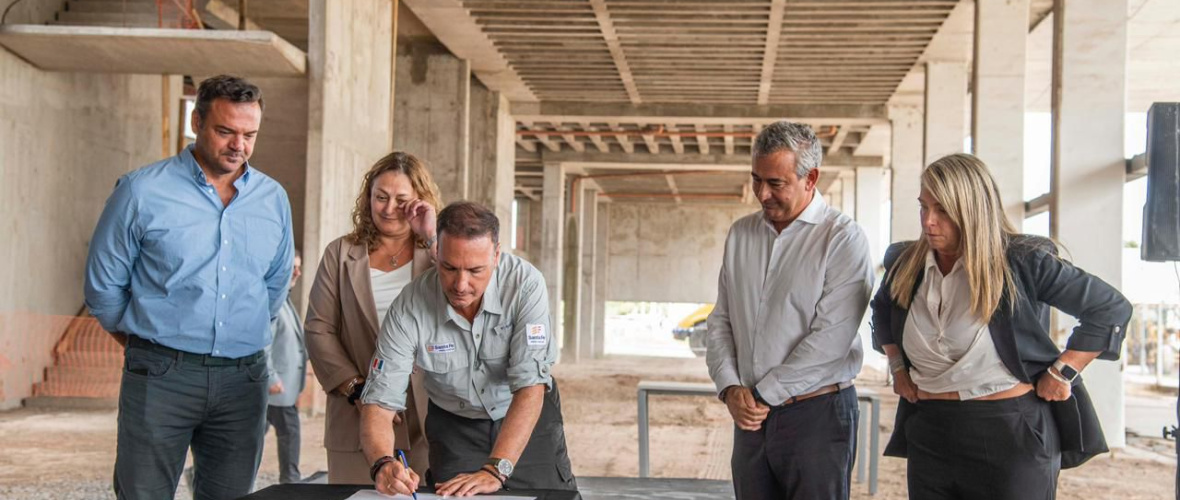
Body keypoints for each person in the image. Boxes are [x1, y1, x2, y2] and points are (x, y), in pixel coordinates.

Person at [870, 153, 1132, 500]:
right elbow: (881, 310)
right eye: (924, 207)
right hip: (930, 429)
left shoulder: (1023, 262)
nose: (928, 221)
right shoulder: (905, 264)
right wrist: (897, 366)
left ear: (972, 210)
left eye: (943, 210)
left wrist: (1063, 372)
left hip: (1009, 433)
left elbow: (1109, 308)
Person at [84, 75, 294, 500]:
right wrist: (147, 345)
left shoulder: (273, 199)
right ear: (196, 122)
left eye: (249, 134)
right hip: (161, 374)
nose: (239, 145)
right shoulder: (141, 191)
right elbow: (103, 289)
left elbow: (274, 287)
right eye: (225, 131)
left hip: (243, 380)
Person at [360, 201, 577, 498]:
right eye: (449, 268)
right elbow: (379, 401)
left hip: (524, 415)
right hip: (454, 426)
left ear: (496, 255)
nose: (461, 285)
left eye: (475, 270)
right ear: (437, 253)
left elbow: (530, 386)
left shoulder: (525, 285)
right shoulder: (410, 305)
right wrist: (382, 464)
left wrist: (496, 469)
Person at [705, 121, 874, 500]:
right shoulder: (741, 235)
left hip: (816, 416)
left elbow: (830, 341)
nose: (762, 193)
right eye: (756, 179)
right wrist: (730, 387)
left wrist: (762, 394)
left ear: (810, 178)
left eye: (775, 183)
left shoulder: (842, 239)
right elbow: (721, 321)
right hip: (750, 417)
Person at [304, 152, 441, 484]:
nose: (389, 208)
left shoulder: (436, 255)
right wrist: (358, 390)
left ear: (420, 201)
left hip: (428, 416)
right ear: (368, 198)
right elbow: (319, 329)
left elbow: (466, 296)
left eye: (401, 200)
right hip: (356, 411)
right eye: (381, 197)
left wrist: (433, 236)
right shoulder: (340, 253)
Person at [265, 250, 307, 484]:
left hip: (284, 387)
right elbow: (263, 343)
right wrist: (271, 378)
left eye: (299, 267)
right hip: (275, 387)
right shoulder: (272, 301)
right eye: (293, 267)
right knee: (290, 433)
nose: (297, 272)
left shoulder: (285, 299)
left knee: (251, 439)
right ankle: (291, 486)